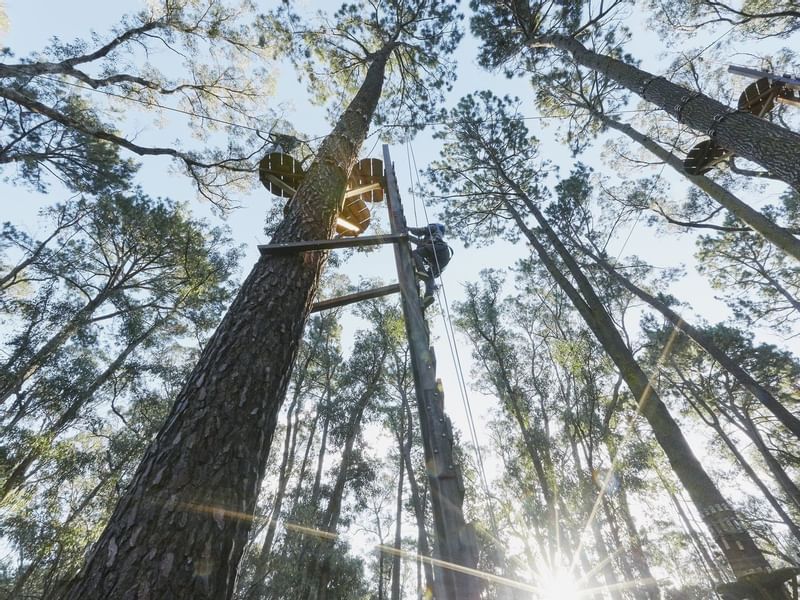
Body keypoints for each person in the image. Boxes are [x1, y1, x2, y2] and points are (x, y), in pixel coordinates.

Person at [407, 223, 453, 309]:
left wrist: (408, 228)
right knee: (430, 275)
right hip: (444, 256)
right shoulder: (433, 238)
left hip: (438, 248)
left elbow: (421, 231)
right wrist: (407, 236)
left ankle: (421, 271)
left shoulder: (434, 227)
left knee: (415, 253)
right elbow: (419, 242)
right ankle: (428, 296)